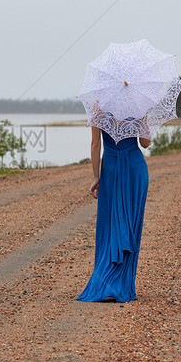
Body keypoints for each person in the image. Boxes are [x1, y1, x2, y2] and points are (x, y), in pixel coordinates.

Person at [75, 125, 150, 302]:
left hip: (111, 167)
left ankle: (109, 283)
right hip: (135, 168)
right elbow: (145, 144)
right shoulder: (138, 106)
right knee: (130, 225)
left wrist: (95, 177)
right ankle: (123, 285)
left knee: (110, 225)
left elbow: (95, 145)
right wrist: (144, 119)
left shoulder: (99, 108)